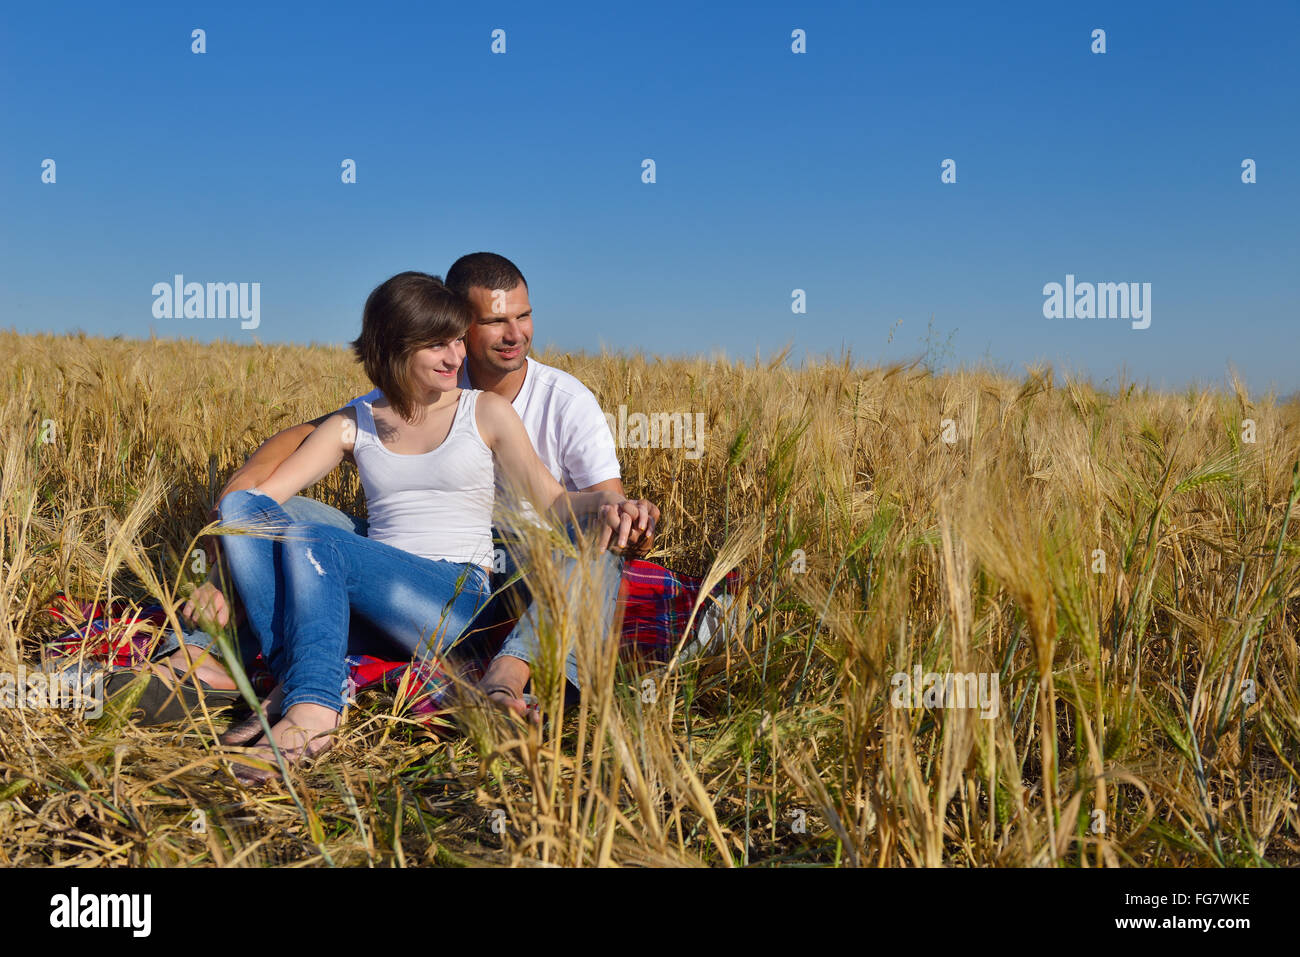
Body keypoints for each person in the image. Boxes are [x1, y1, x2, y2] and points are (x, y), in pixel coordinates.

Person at [142, 253, 658, 726]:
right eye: (493, 322)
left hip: (518, 562)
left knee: (597, 546)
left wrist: (619, 509)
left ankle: (507, 676)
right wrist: (224, 557)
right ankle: (199, 655)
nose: (514, 334)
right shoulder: (396, 400)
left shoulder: (552, 402)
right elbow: (298, 445)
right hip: (391, 559)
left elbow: (575, 506)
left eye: (522, 317)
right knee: (265, 513)